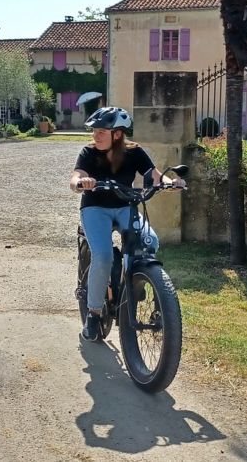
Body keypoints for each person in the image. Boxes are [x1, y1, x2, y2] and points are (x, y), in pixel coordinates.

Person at [69, 106, 185, 341]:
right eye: (94, 131)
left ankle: (136, 282)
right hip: (95, 208)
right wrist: (82, 182)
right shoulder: (89, 152)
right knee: (102, 256)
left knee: (150, 241)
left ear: (118, 134)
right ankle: (93, 313)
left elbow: (154, 174)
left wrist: (169, 182)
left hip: (125, 206)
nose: (95, 136)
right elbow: (75, 178)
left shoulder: (134, 152)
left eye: (102, 131)